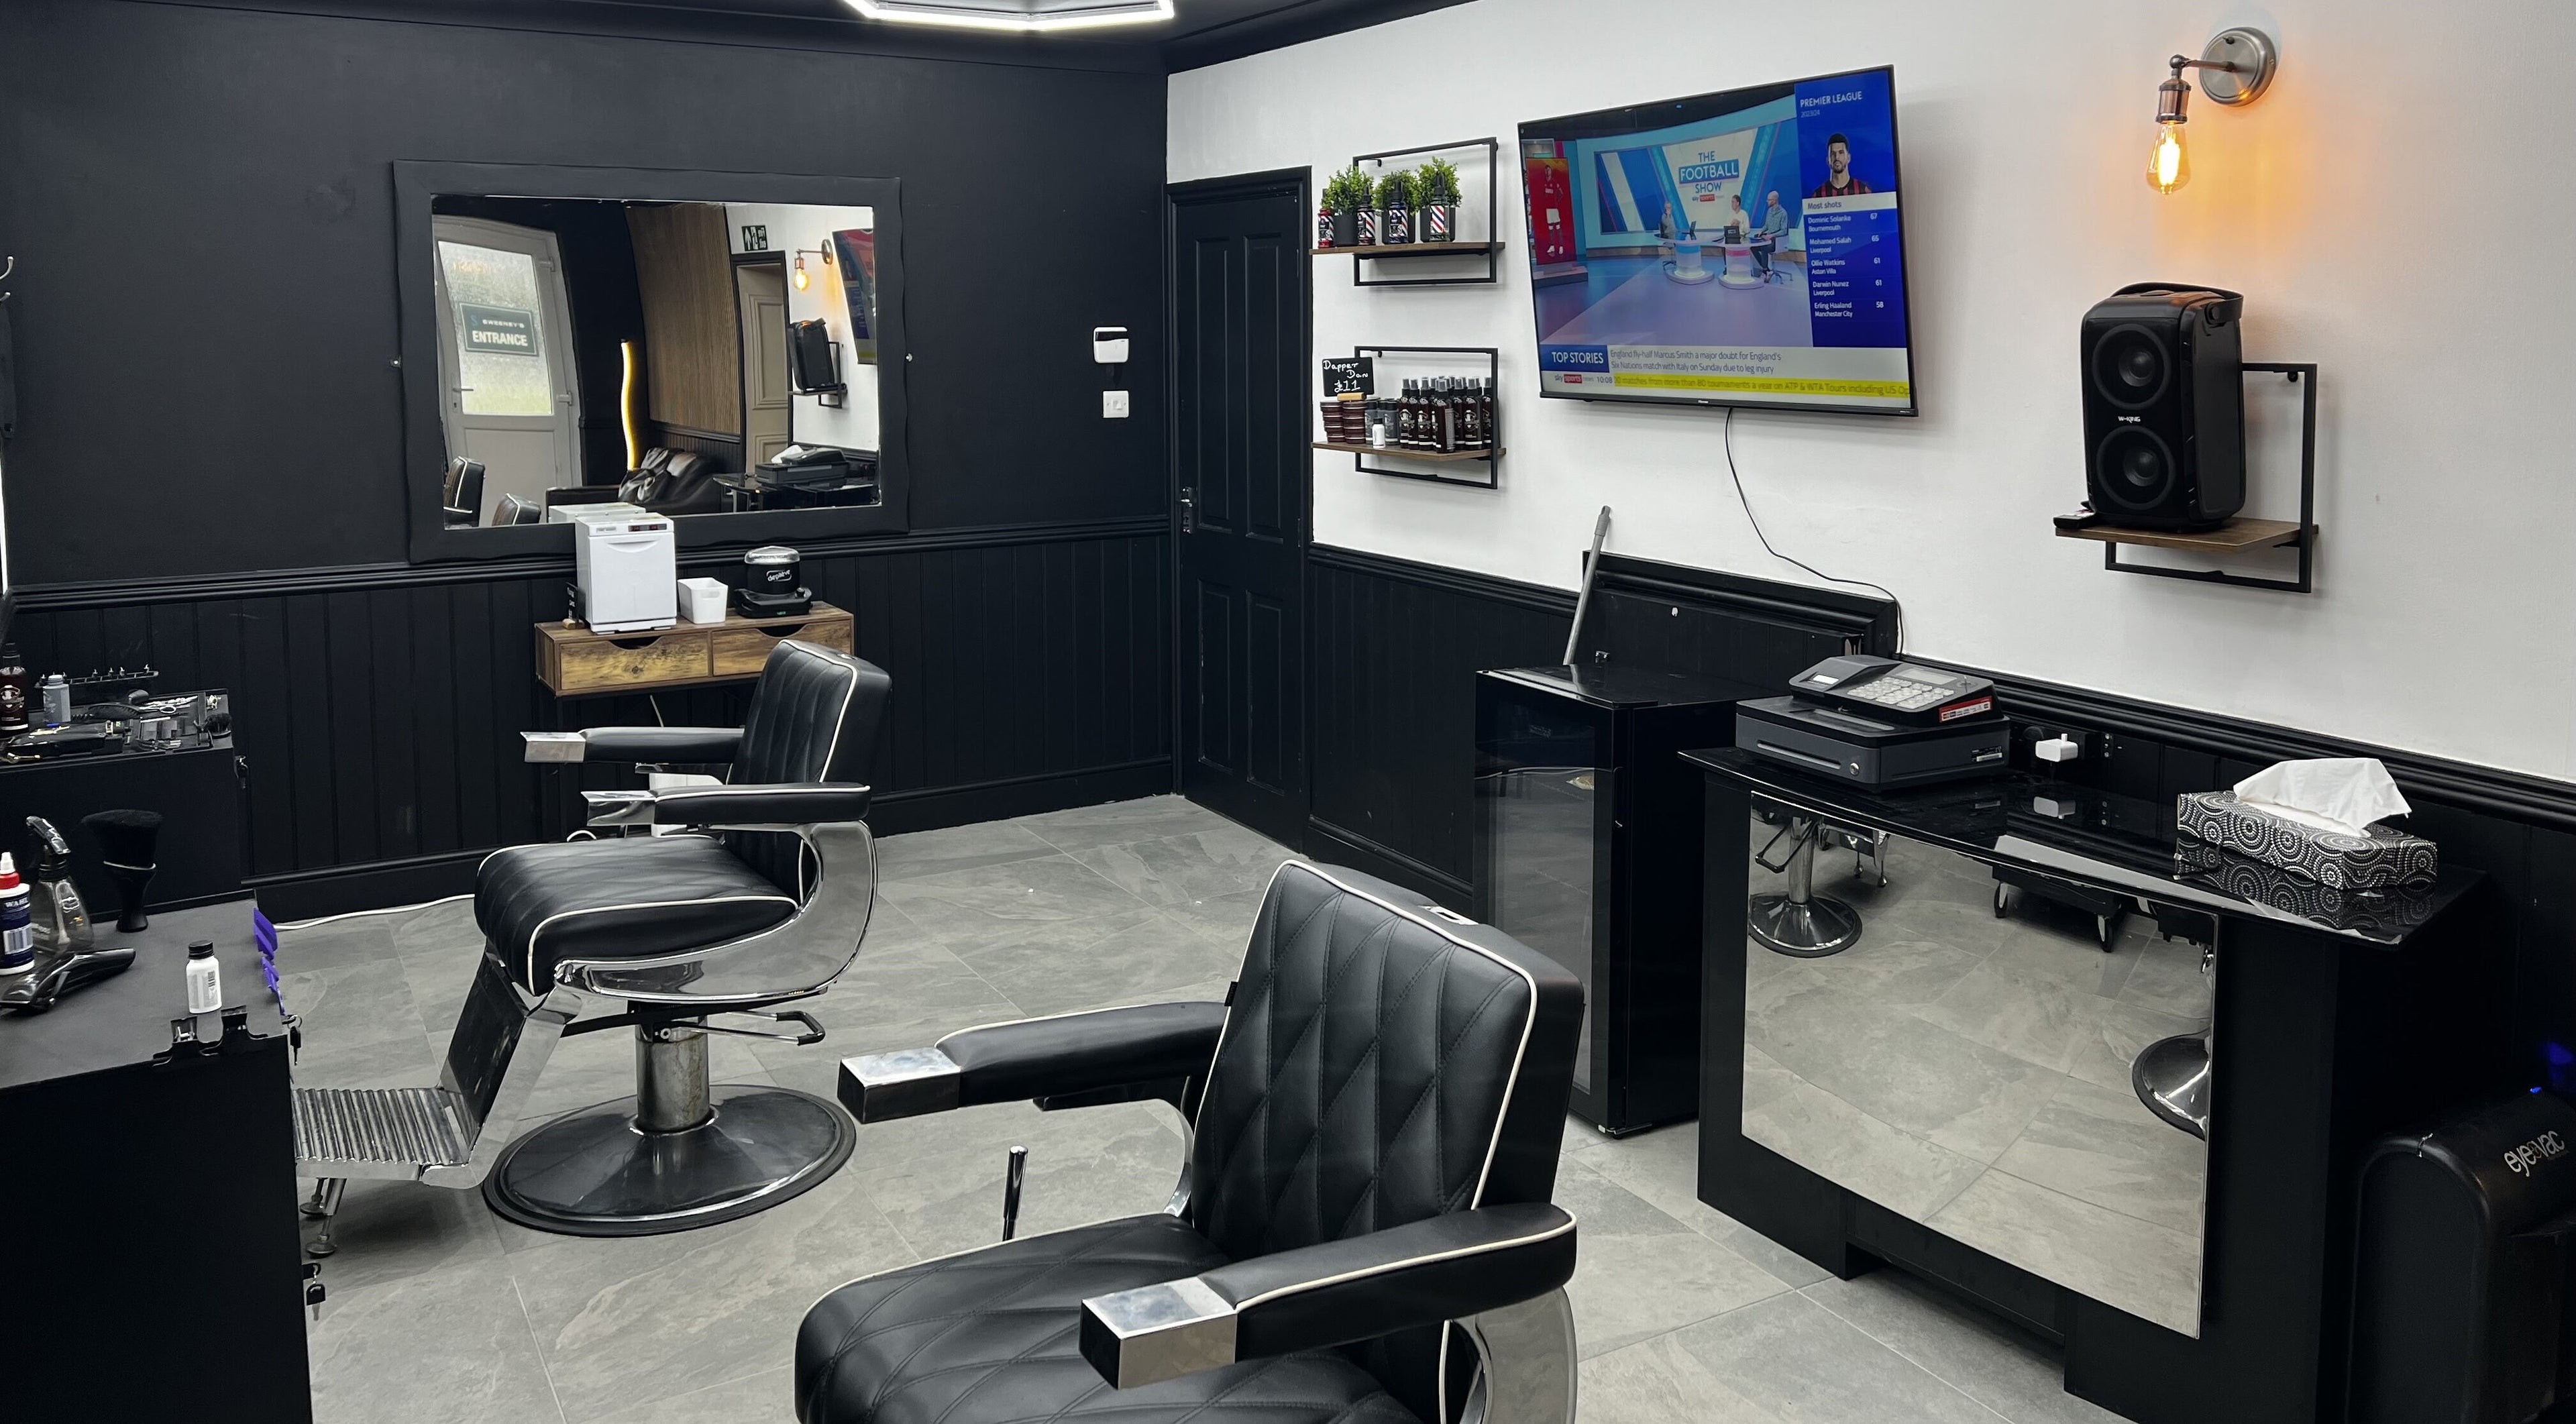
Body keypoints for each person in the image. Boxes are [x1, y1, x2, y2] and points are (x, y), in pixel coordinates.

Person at [1810, 133, 1875, 198]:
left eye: (1841, 153)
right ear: (1828, 160)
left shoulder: (1863, 191)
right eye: (1833, 154)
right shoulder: (1818, 195)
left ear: (1848, 158)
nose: (1837, 157)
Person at [1754, 189, 1791, 279]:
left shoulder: (1783, 214)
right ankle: (1766, 269)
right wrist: (1761, 231)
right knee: (1753, 246)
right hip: (1768, 237)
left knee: (1764, 248)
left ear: (1774, 201)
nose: (1767, 202)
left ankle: (1765, 270)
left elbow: (1784, 231)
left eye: (1769, 200)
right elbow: (1766, 225)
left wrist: (1772, 235)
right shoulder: (1769, 211)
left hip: (1776, 240)